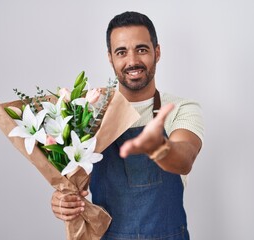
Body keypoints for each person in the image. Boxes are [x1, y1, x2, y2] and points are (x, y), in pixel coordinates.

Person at [51, 11, 204, 240]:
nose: (132, 61)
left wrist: (160, 148)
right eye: (121, 52)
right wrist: (63, 200)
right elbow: (75, 181)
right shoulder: (89, 114)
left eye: (141, 49)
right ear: (110, 58)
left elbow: (185, 157)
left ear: (157, 52)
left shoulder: (180, 108)